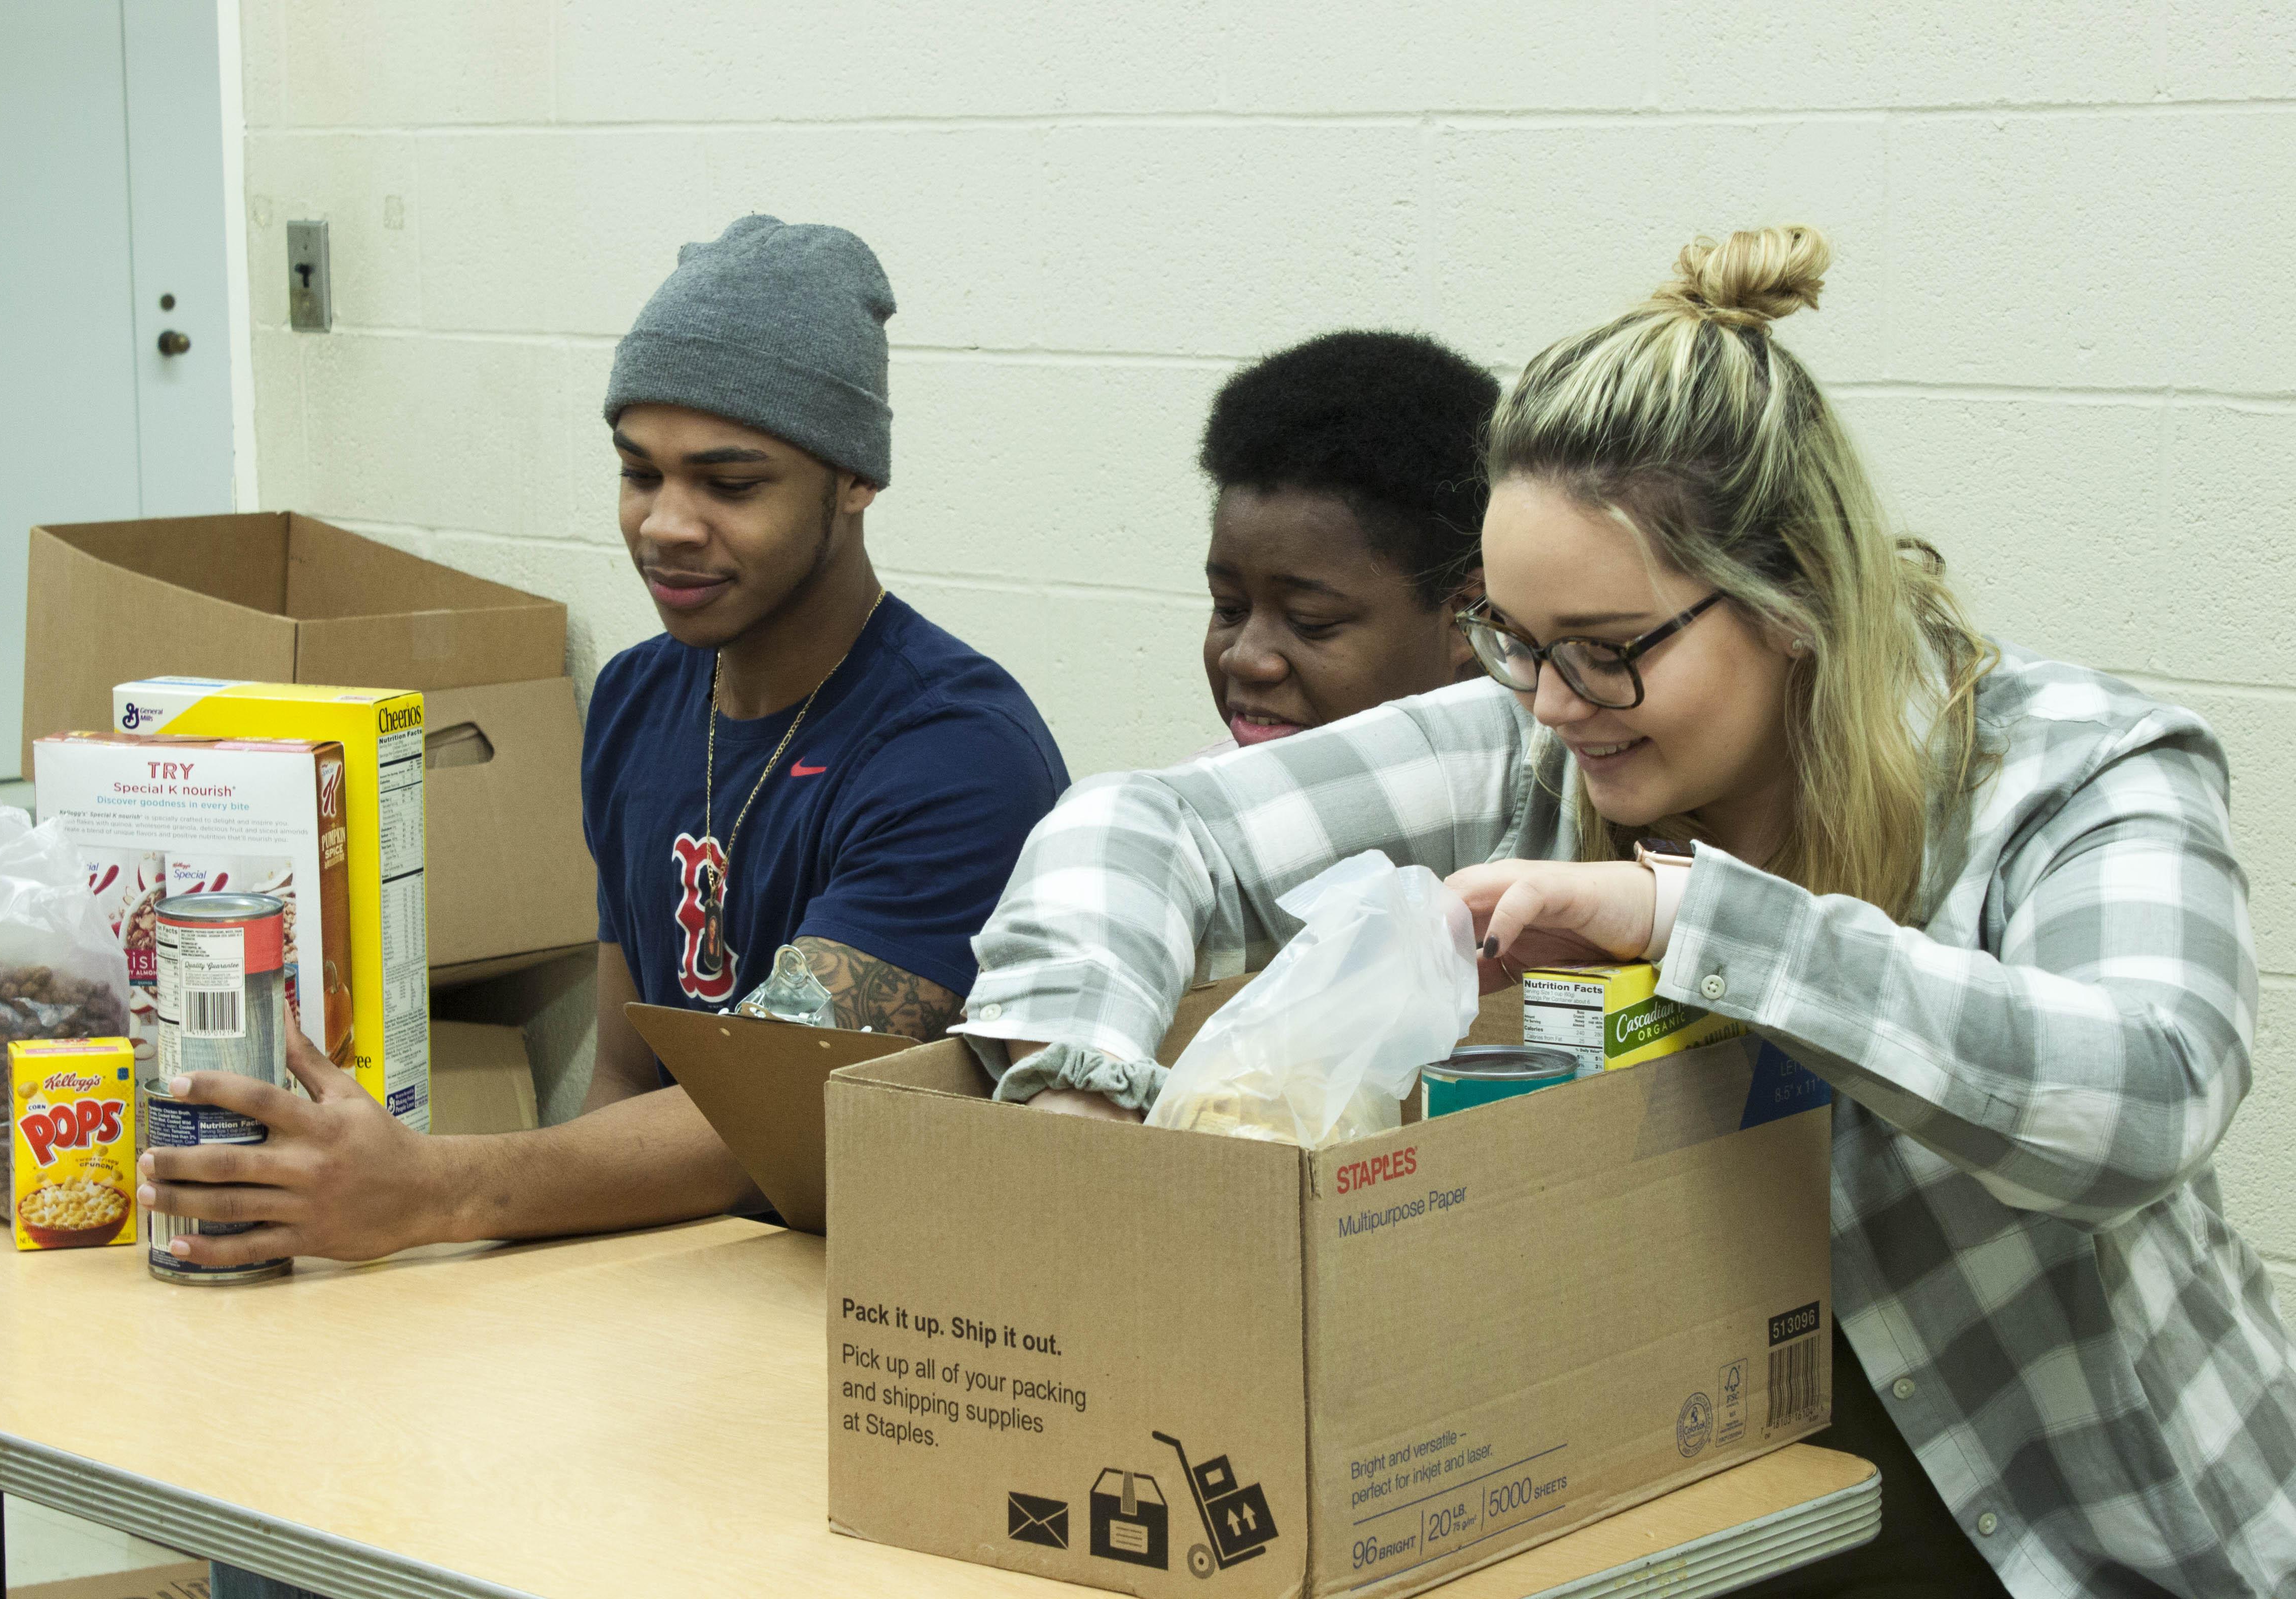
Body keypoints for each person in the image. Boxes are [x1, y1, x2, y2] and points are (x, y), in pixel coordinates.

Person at [956, 227, 2296, 1597]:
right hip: (1689, 1508)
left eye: (1607, 651)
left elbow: (2150, 1098)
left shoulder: (2064, 769)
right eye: (1515, 641)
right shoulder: (1533, 740)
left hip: (2077, 1545)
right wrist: (1082, 1097)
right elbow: (1143, 828)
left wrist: (1695, 919)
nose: (1550, 705)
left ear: (1799, 598)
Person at [139, 215, 1068, 1262]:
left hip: (880, 1304)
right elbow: (628, 1072)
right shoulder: (639, 698)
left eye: (730, 484)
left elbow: (757, 1123)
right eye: (640, 473)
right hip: (673, 1273)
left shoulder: (956, 754)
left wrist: (438, 1193)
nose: (667, 524)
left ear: (855, 483)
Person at [1194, 331, 1498, 752]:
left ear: (1469, 613)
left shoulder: (1561, 806)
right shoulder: (1194, 803)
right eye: (1228, 608)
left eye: (1309, 622)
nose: (1243, 659)